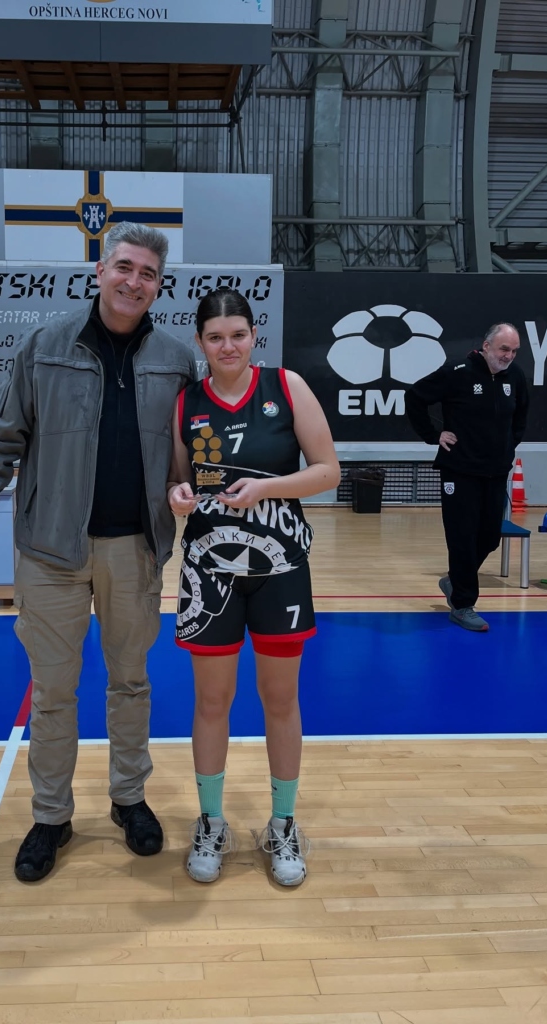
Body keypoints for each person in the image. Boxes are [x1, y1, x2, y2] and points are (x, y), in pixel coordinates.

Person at [0, 222, 196, 883]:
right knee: (53, 692)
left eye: (147, 273)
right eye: (124, 267)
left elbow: (194, 455)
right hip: (50, 552)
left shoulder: (176, 359)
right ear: (100, 272)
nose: (134, 281)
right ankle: (51, 816)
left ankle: (129, 798)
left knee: (130, 683)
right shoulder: (44, 346)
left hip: (135, 552)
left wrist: (192, 495)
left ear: (158, 285)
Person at [167, 287, 340, 887]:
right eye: (215, 337)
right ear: (200, 342)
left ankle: (283, 823)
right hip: (210, 569)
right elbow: (180, 481)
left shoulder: (286, 386)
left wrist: (266, 488)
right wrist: (177, 495)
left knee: (280, 699)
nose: (228, 346)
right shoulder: (186, 401)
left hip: (281, 566)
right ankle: (211, 821)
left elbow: (328, 471)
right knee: (212, 701)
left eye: (237, 335)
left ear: (253, 335)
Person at [405, 322, 529, 632]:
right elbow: (415, 397)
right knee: (462, 537)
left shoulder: (515, 376)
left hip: (496, 471)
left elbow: (521, 416)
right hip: (459, 470)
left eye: (514, 351)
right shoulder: (457, 372)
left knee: (489, 538)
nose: (509, 356)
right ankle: (462, 605)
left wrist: (508, 446)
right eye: (504, 349)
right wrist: (434, 435)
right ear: (486, 346)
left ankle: (455, 581)